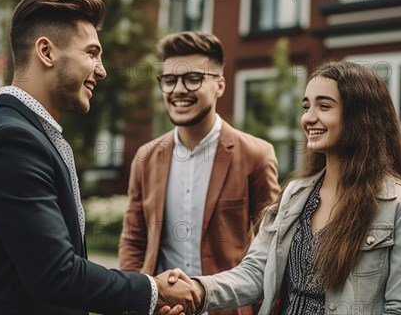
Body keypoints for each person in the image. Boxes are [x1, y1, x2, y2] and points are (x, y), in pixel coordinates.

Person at [0, 0, 200, 315]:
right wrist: (152, 291)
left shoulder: (26, 133)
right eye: (92, 53)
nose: (101, 70)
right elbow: (56, 273)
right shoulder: (11, 141)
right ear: (46, 52)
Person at [170, 60, 401, 314]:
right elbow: (255, 273)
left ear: (360, 117)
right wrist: (198, 289)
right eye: (306, 107)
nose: (308, 118)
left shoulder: (399, 205)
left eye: (324, 106)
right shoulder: (294, 196)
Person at [118, 31, 281, 315]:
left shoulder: (256, 154)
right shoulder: (145, 157)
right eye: (169, 80)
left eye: (193, 78)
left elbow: (273, 246)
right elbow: (134, 240)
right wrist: (139, 301)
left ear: (219, 85)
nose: (178, 89)